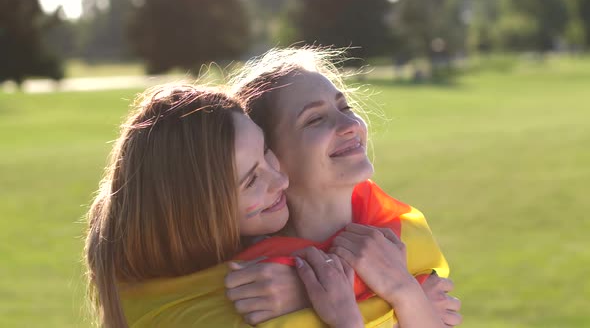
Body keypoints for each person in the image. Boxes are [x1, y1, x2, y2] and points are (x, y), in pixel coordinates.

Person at [84, 84, 398, 328]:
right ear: (198, 213)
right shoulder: (212, 316)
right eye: (250, 181)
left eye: (266, 151)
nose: (280, 181)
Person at [224, 47, 462, 327]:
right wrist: (408, 303)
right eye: (315, 119)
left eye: (345, 107)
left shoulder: (403, 235)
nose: (350, 124)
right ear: (268, 156)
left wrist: (403, 292)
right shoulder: (258, 284)